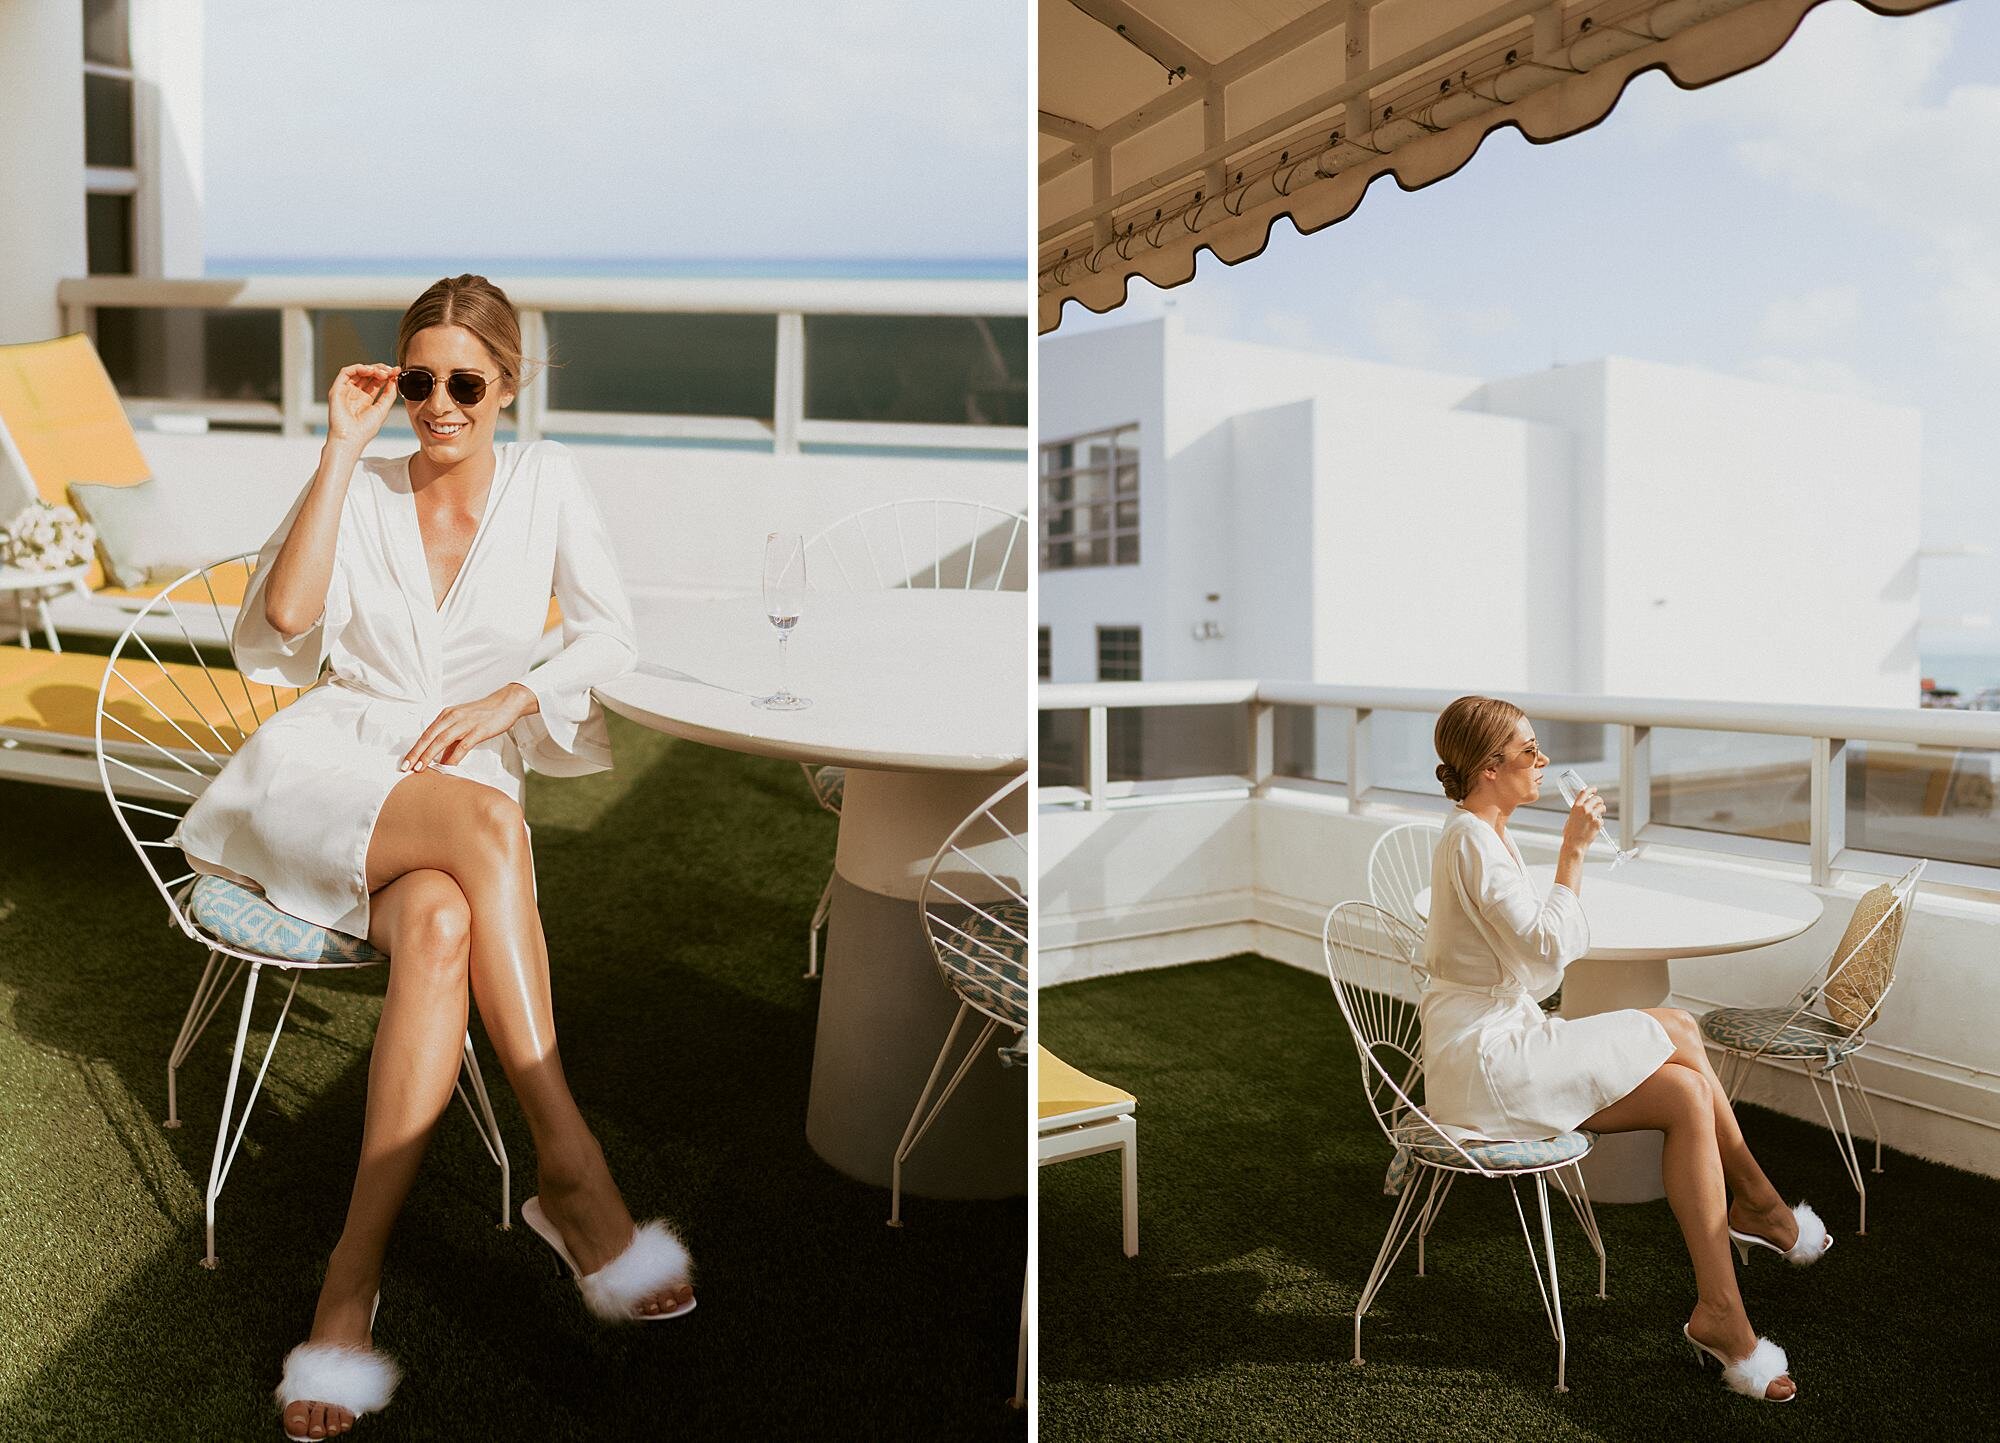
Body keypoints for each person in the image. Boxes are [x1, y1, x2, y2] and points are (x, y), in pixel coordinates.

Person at [171, 276, 693, 1441]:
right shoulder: (358, 484)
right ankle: (568, 1158)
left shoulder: (550, 483)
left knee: (448, 920)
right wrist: (339, 447)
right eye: (419, 381)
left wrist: (517, 692)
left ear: (509, 386)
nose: (440, 403)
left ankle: (347, 1285)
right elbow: (285, 631)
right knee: (492, 827)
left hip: (453, 792)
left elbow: (611, 630)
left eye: (466, 382)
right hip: (327, 768)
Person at [1422, 695, 1828, 1404]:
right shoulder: (1471, 841)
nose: (1543, 761)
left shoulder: (1488, 833)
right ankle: (1760, 1203)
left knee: (1688, 1091)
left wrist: (1562, 867)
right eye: (1529, 751)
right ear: (1489, 768)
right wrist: (1574, 852)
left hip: (1506, 1038)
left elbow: (1533, 961)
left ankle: (1721, 1312)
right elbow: (1549, 960)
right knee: (1676, 1025)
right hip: (1484, 1060)